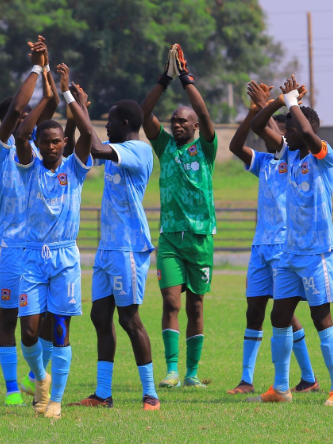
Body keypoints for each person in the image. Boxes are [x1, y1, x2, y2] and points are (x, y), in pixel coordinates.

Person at [245, 75, 333, 407]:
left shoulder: (326, 158)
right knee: (279, 316)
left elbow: (305, 133)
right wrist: (278, 101)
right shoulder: (288, 156)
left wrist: (293, 104)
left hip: (317, 252)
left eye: (288, 129)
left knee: (321, 318)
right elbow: (260, 127)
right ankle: (280, 388)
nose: (283, 134)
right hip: (290, 252)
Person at [66, 93, 160, 411]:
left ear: (124, 124)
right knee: (100, 316)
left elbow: (93, 146)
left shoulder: (139, 150)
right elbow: (85, 149)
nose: (105, 125)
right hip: (108, 248)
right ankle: (103, 394)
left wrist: (73, 101)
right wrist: (76, 109)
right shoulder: (116, 150)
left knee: (130, 319)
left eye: (109, 120)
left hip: (129, 249)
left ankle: (151, 394)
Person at [226, 81, 319, 395]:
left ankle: (307, 377)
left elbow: (268, 129)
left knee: (285, 313)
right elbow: (236, 146)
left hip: (284, 246)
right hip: (260, 247)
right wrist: (256, 109)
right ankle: (246, 380)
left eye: (275, 131)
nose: (268, 135)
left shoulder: (292, 159)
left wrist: (276, 102)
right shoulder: (265, 164)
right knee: (254, 311)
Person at [14, 60, 93, 419]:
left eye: (56, 141)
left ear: (63, 142)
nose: (50, 147)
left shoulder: (74, 168)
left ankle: (56, 400)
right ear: (39, 144)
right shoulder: (28, 168)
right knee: (29, 331)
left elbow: (89, 137)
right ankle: (41, 377)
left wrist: (67, 93)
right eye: (44, 141)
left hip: (64, 259)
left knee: (60, 328)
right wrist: (47, 99)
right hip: (32, 256)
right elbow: (19, 137)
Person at [140, 44, 217, 388]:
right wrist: (166, 78)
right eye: (174, 121)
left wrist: (187, 79)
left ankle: (192, 374)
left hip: (200, 237)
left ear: (196, 125)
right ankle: (171, 369)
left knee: (196, 307)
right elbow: (143, 115)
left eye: (183, 120)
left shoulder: (205, 148)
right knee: (171, 301)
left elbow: (204, 111)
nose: (177, 124)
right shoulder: (165, 147)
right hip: (170, 236)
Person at [0, 37, 57, 407]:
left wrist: (46, 67)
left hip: (38, 247)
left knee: (41, 317)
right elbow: (18, 108)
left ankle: (36, 375)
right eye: (23, 117)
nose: (30, 120)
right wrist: (33, 67)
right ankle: (13, 388)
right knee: (8, 317)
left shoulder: (32, 151)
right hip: (9, 247)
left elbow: (50, 103)